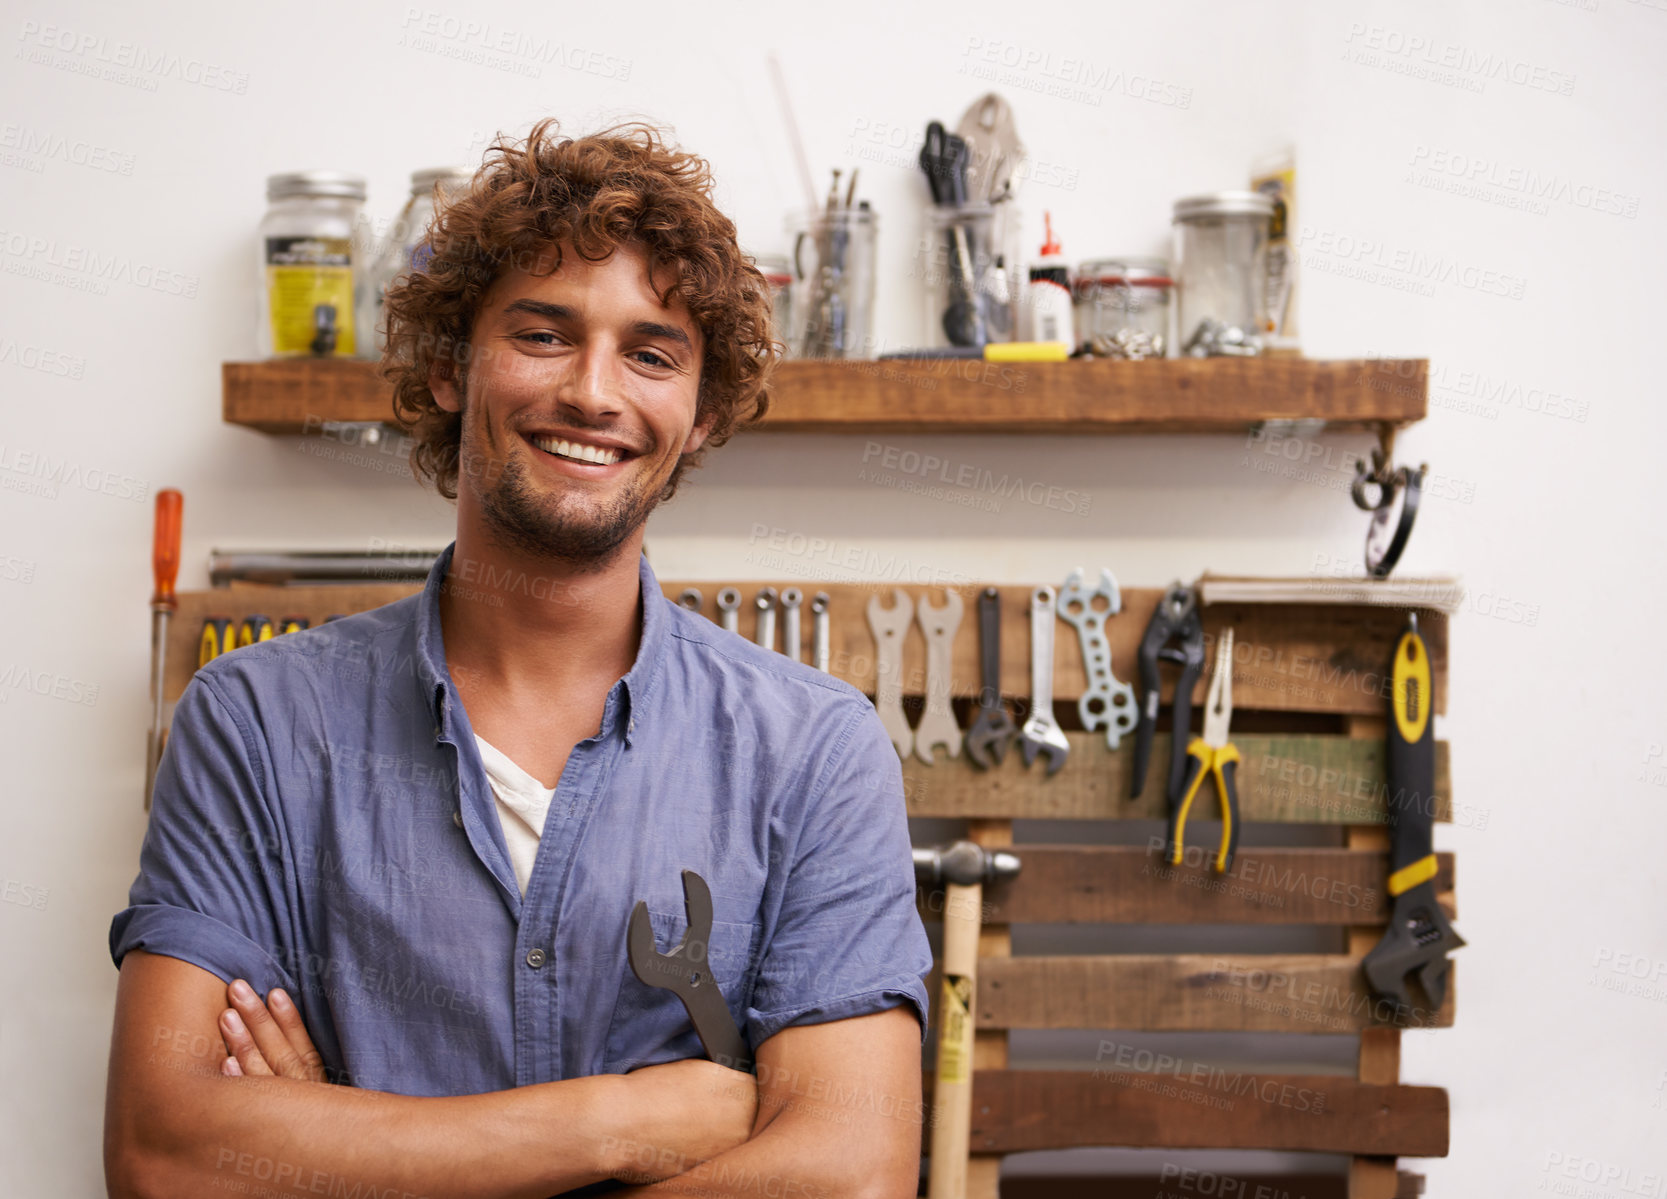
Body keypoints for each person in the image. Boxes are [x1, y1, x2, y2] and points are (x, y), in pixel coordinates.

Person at [104, 119, 932, 1198]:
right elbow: (166, 1158)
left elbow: (848, 1177)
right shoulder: (255, 723)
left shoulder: (814, 749)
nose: (594, 391)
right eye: (542, 334)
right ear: (452, 366)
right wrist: (620, 1123)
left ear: (701, 411)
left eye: (649, 353)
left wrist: (347, 1149)